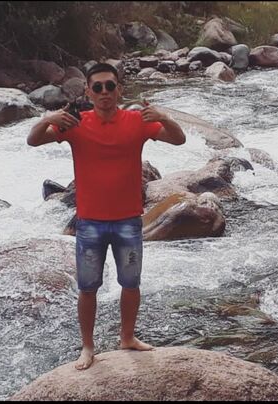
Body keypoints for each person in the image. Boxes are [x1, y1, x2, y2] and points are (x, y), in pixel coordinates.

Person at [27, 63, 186, 370]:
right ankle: (88, 347)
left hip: (128, 220)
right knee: (88, 288)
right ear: (88, 92)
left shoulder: (136, 121)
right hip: (89, 222)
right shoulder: (75, 123)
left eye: (109, 86)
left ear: (119, 90)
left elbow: (178, 140)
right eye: (97, 87)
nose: (104, 92)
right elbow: (33, 140)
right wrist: (47, 119)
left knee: (131, 283)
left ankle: (127, 337)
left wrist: (165, 116)